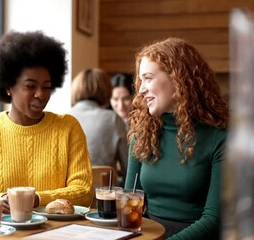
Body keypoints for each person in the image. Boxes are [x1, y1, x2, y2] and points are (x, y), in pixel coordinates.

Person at [0, 31, 93, 209]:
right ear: (8, 86)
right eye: (30, 86)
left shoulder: (68, 127)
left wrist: (35, 198)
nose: (40, 94)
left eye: (47, 87)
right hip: (2, 233)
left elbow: (84, 191)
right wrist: (3, 199)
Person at [125, 38, 228, 239]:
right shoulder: (142, 133)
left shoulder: (219, 138)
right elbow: (130, 205)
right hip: (148, 235)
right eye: (140, 80)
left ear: (177, 79)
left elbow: (214, 220)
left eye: (148, 78)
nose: (141, 89)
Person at [69, 68, 128, 186]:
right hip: (104, 198)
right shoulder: (113, 119)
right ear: (106, 90)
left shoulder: (64, 118)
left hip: (70, 197)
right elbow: (128, 167)